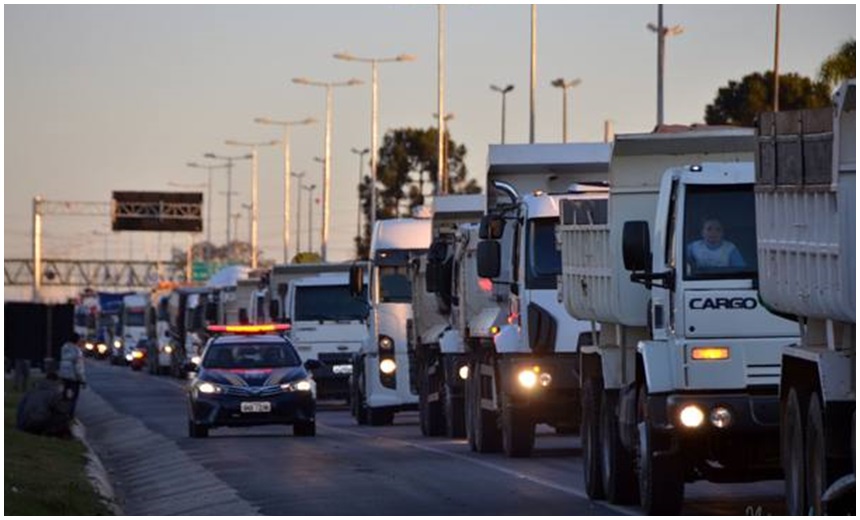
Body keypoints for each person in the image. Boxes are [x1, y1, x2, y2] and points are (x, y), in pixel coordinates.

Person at [16, 371, 71, 438]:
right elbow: (63, 410)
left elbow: (20, 408)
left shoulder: (31, 391)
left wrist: (19, 425)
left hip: (24, 424)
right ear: (56, 381)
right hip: (39, 425)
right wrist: (68, 399)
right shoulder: (53, 393)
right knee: (62, 416)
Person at [58, 332, 86, 419]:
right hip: (74, 377)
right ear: (77, 340)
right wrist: (83, 380)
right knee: (73, 397)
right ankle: (70, 415)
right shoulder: (77, 351)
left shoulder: (64, 348)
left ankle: (62, 413)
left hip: (63, 375)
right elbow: (79, 367)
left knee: (64, 396)